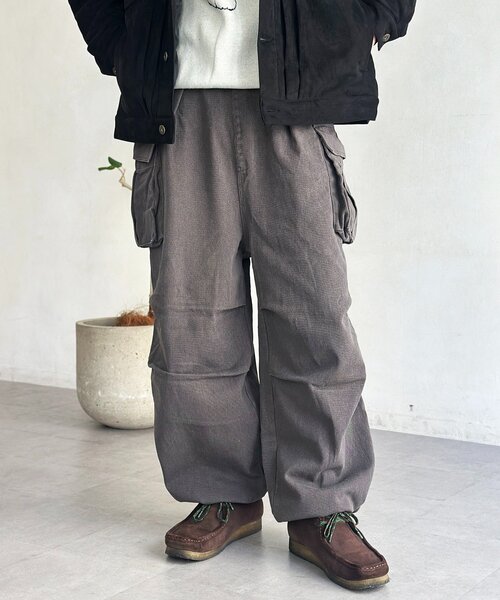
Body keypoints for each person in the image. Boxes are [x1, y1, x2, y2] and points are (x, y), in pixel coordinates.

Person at [69, 0, 417, 591]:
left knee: (315, 316)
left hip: (297, 100)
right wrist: (120, 47)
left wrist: (370, 22)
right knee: (193, 320)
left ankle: (322, 506)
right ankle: (222, 492)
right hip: (179, 102)